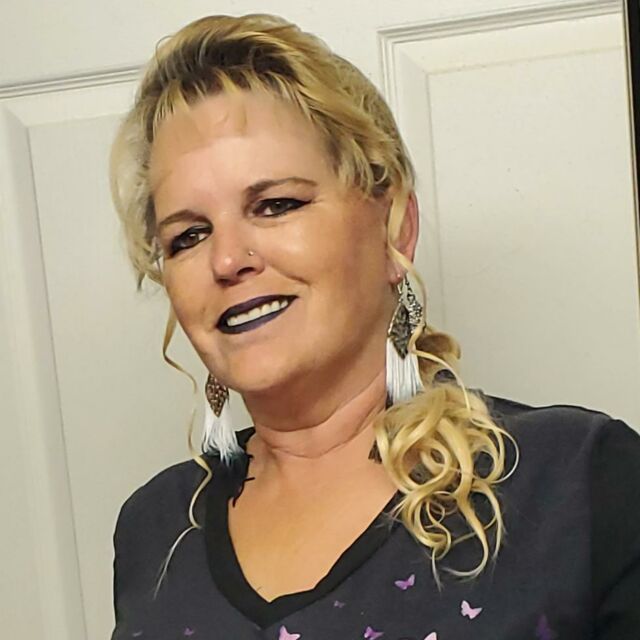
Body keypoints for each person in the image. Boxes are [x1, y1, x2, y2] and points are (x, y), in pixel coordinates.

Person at [109, 13, 640, 640]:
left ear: (395, 230)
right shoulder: (156, 530)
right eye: (188, 236)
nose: (227, 260)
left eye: (276, 205)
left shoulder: (577, 484)